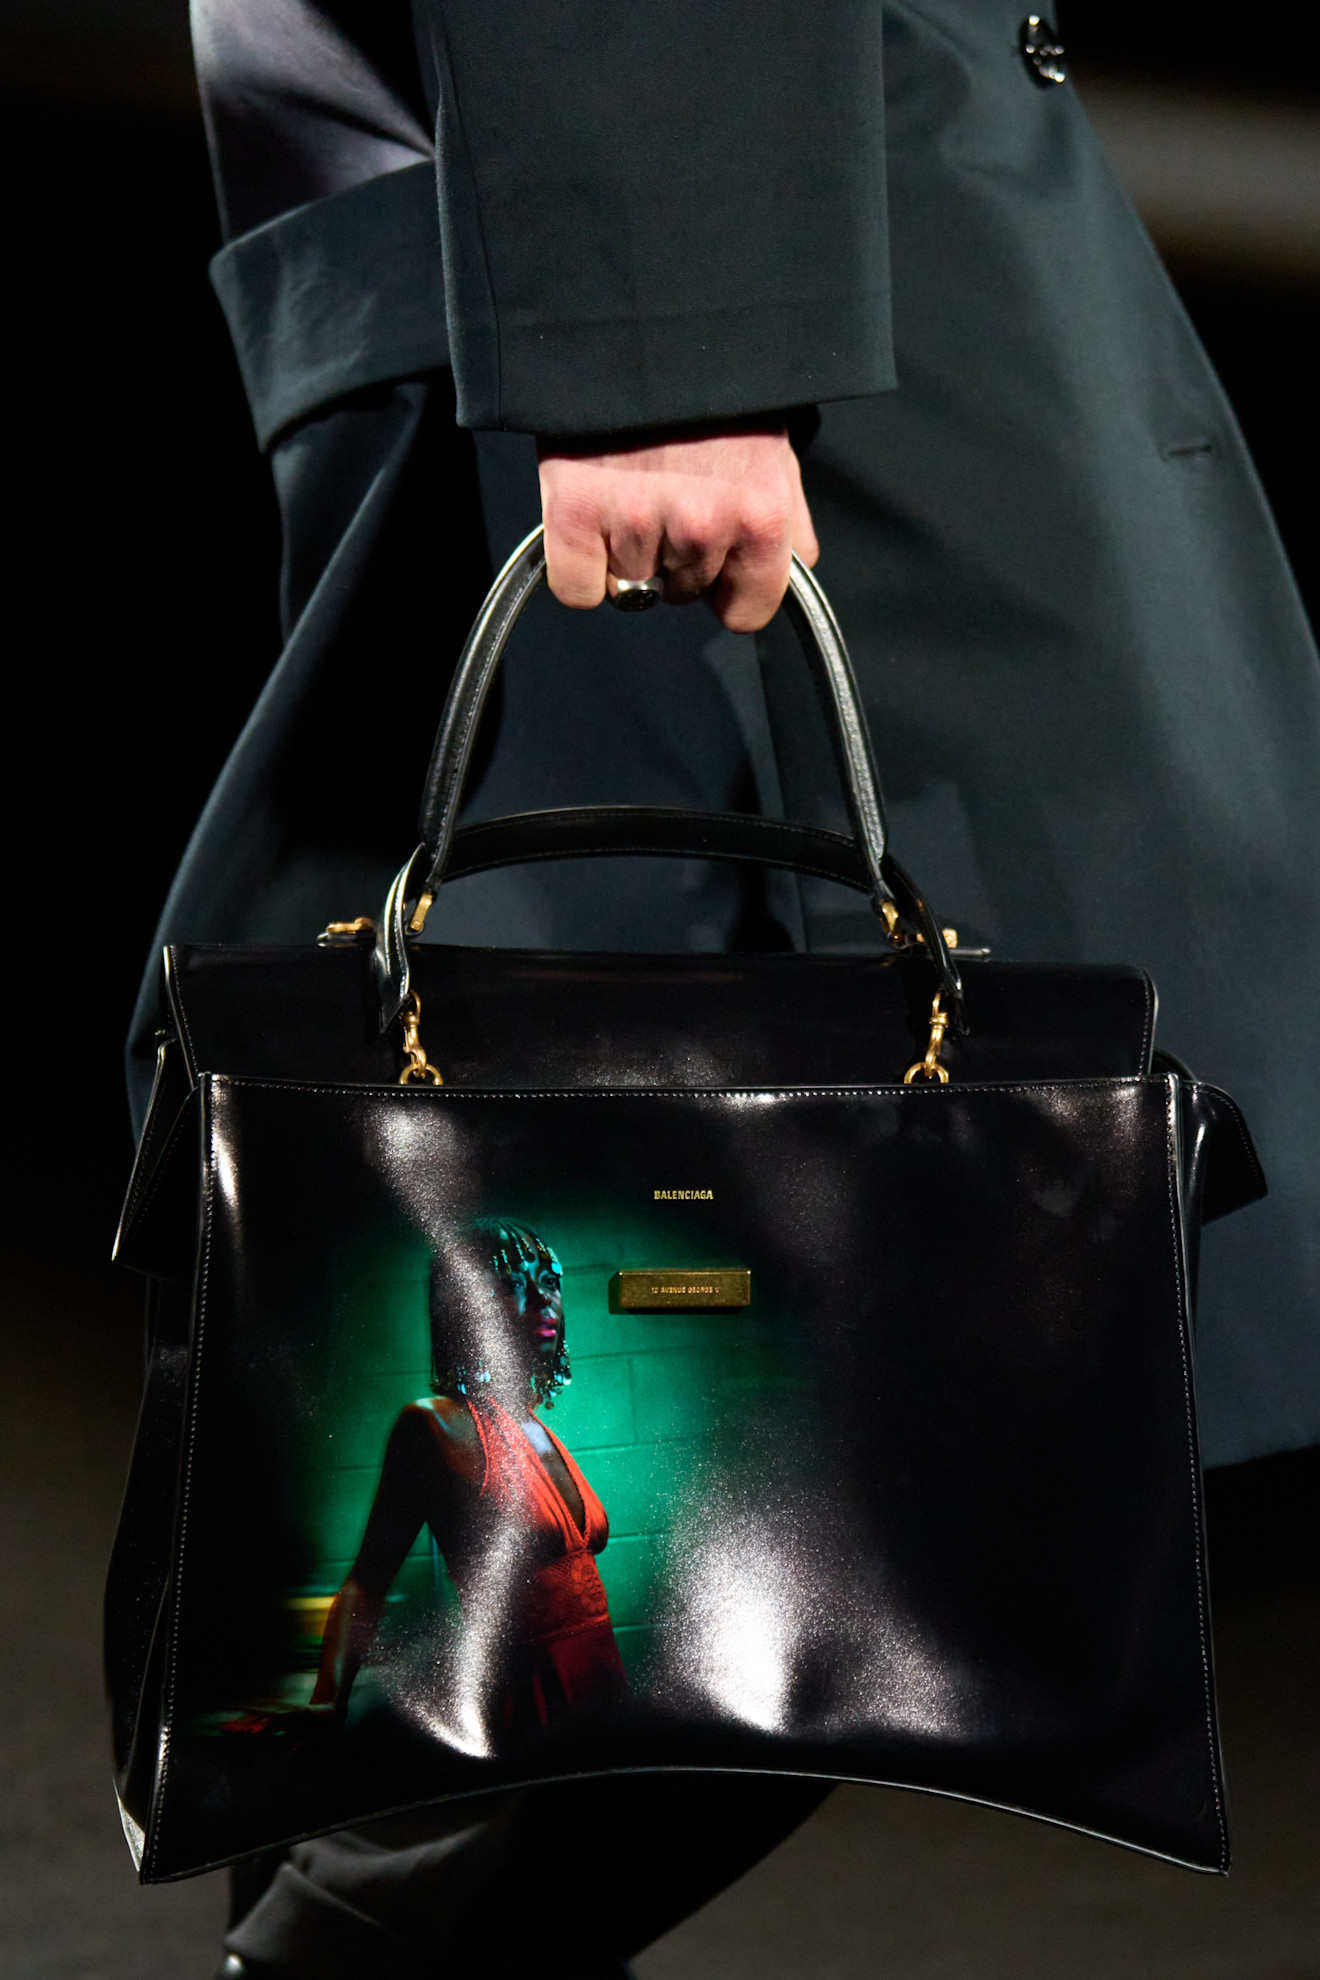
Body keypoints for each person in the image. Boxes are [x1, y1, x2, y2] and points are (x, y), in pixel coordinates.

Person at [134, 1, 1320, 1973]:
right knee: (898, 1281)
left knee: (761, 1229)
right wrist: (662, 350)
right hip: (713, 244)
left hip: (693, 221)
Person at [310, 1220, 628, 1738]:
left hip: (602, 1692)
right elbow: (366, 1584)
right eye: (508, 1285)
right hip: (527, 1706)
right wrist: (327, 1701)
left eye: (549, 1280)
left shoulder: (537, 1427)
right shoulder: (433, 1425)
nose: (540, 1299)